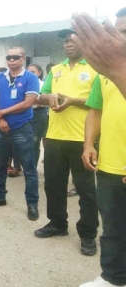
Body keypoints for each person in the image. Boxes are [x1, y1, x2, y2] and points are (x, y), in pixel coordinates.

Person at [34, 28, 99, 256]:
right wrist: (48, 96)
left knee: (86, 190)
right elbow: (40, 97)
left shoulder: (95, 68)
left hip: (84, 139)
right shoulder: (58, 70)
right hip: (54, 137)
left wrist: (73, 101)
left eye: (72, 39)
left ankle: (88, 234)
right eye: (65, 41)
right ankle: (58, 224)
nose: (68, 44)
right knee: (53, 185)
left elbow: (99, 101)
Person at [79, 7, 126, 287]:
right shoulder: (104, 72)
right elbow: (95, 109)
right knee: (112, 227)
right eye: (119, 32)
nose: (122, 39)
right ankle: (113, 278)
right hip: (110, 163)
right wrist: (88, 144)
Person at [0, 47, 40, 221]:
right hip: (1, 127)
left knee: (29, 168)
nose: (11, 60)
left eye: (15, 57)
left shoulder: (30, 78)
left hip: (22, 127)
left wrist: (2, 112)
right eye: (9, 57)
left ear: (23, 59)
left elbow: (29, 102)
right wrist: (0, 119)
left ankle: (32, 204)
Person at [71, 12, 126, 99]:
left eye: (125, 31)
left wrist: (117, 68)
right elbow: (95, 111)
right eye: (115, 32)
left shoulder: (113, 67)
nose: (120, 37)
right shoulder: (104, 71)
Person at [27, 63, 48, 166]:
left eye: (33, 72)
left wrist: (34, 99)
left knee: (35, 141)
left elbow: (45, 100)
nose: (30, 74)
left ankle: (32, 167)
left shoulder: (43, 85)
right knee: (23, 141)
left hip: (39, 114)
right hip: (25, 113)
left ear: (39, 73)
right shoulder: (24, 83)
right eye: (28, 72)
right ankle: (19, 166)